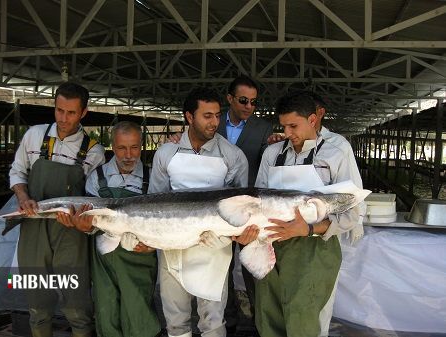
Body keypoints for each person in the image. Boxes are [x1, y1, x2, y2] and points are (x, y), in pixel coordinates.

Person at [148, 87, 258, 337]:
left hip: (214, 247)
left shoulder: (233, 156)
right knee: (176, 321)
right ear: (189, 117)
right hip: (173, 244)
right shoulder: (166, 153)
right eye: (207, 116)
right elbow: (154, 202)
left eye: (217, 115)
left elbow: (242, 208)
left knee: (212, 321)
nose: (214, 122)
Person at [254, 92, 361, 337]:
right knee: (269, 314)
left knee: (307, 319)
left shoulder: (337, 151)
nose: (288, 133)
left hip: (314, 249)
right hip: (273, 245)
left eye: (294, 125)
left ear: (313, 119)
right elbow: (258, 200)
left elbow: (352, 210)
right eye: (283, 126)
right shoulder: (273, 154)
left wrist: (309, 228)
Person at [9, 82, 105, 337]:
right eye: (59, 110)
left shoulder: (94, 151)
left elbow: (94, 198)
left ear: (83, 112)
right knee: (37, 304)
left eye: (71, 113)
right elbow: (17, 172)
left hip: (70, 233)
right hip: (33, 227)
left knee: (77, 306)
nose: (64, 118)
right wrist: (23, 196)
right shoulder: (34, 135)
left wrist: (82, 221)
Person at [57, 121, 160, 337]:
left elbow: (162, 222)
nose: (129, 155)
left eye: (134, 147)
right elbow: (90, 224)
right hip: (104, 260)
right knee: (107, 311)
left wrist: (152, 245)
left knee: (139, 313)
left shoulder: (153, 180)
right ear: (112, 146)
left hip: (139, 259)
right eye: (122, 148)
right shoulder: (97, 177)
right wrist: (84, 227)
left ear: (142, 146)